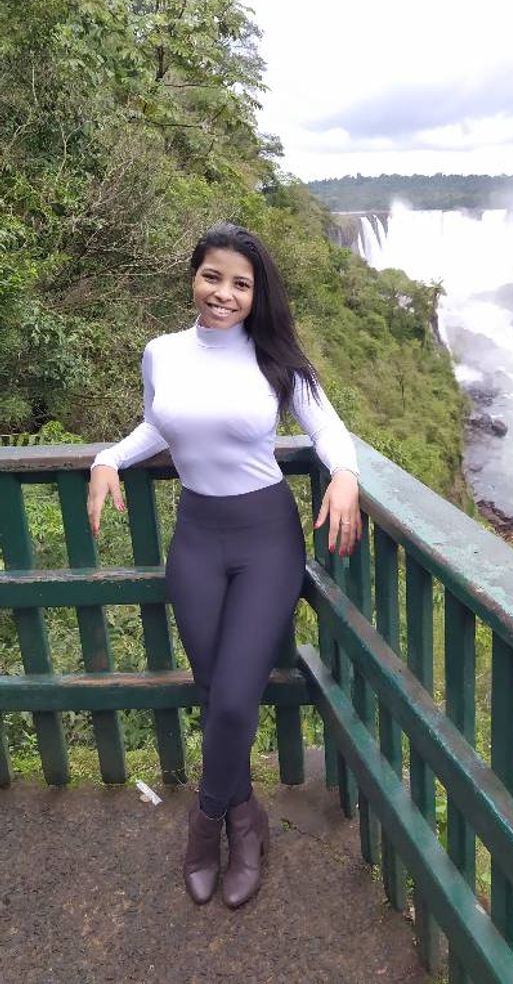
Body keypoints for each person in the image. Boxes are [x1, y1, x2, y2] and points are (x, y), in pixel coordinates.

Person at [86, 222, 361, 908]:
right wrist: (106, 458)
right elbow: (161, 423)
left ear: (255, 292)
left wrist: (345, 475)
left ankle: (205, 826)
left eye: (240, 283)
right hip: (197, 539)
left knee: (236, 698)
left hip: (266, 536)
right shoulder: (163, 353)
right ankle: (248, 817)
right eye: (213, 276)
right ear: (194, 276)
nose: (224, 293)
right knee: (217, 694)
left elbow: (326, 428)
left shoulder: (275, 357)